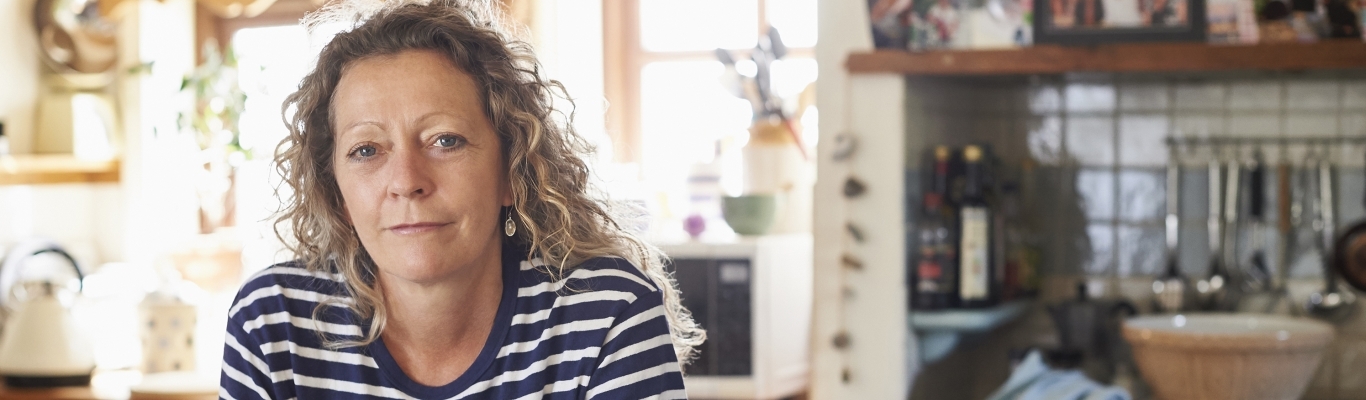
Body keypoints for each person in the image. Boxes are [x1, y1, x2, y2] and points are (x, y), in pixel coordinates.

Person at [219, 0, 704, 398]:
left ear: (511, 172)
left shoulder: (606, 313)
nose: (407, 180)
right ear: (337, 194)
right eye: (366, 150)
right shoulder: (272, 322)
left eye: (445, 140)